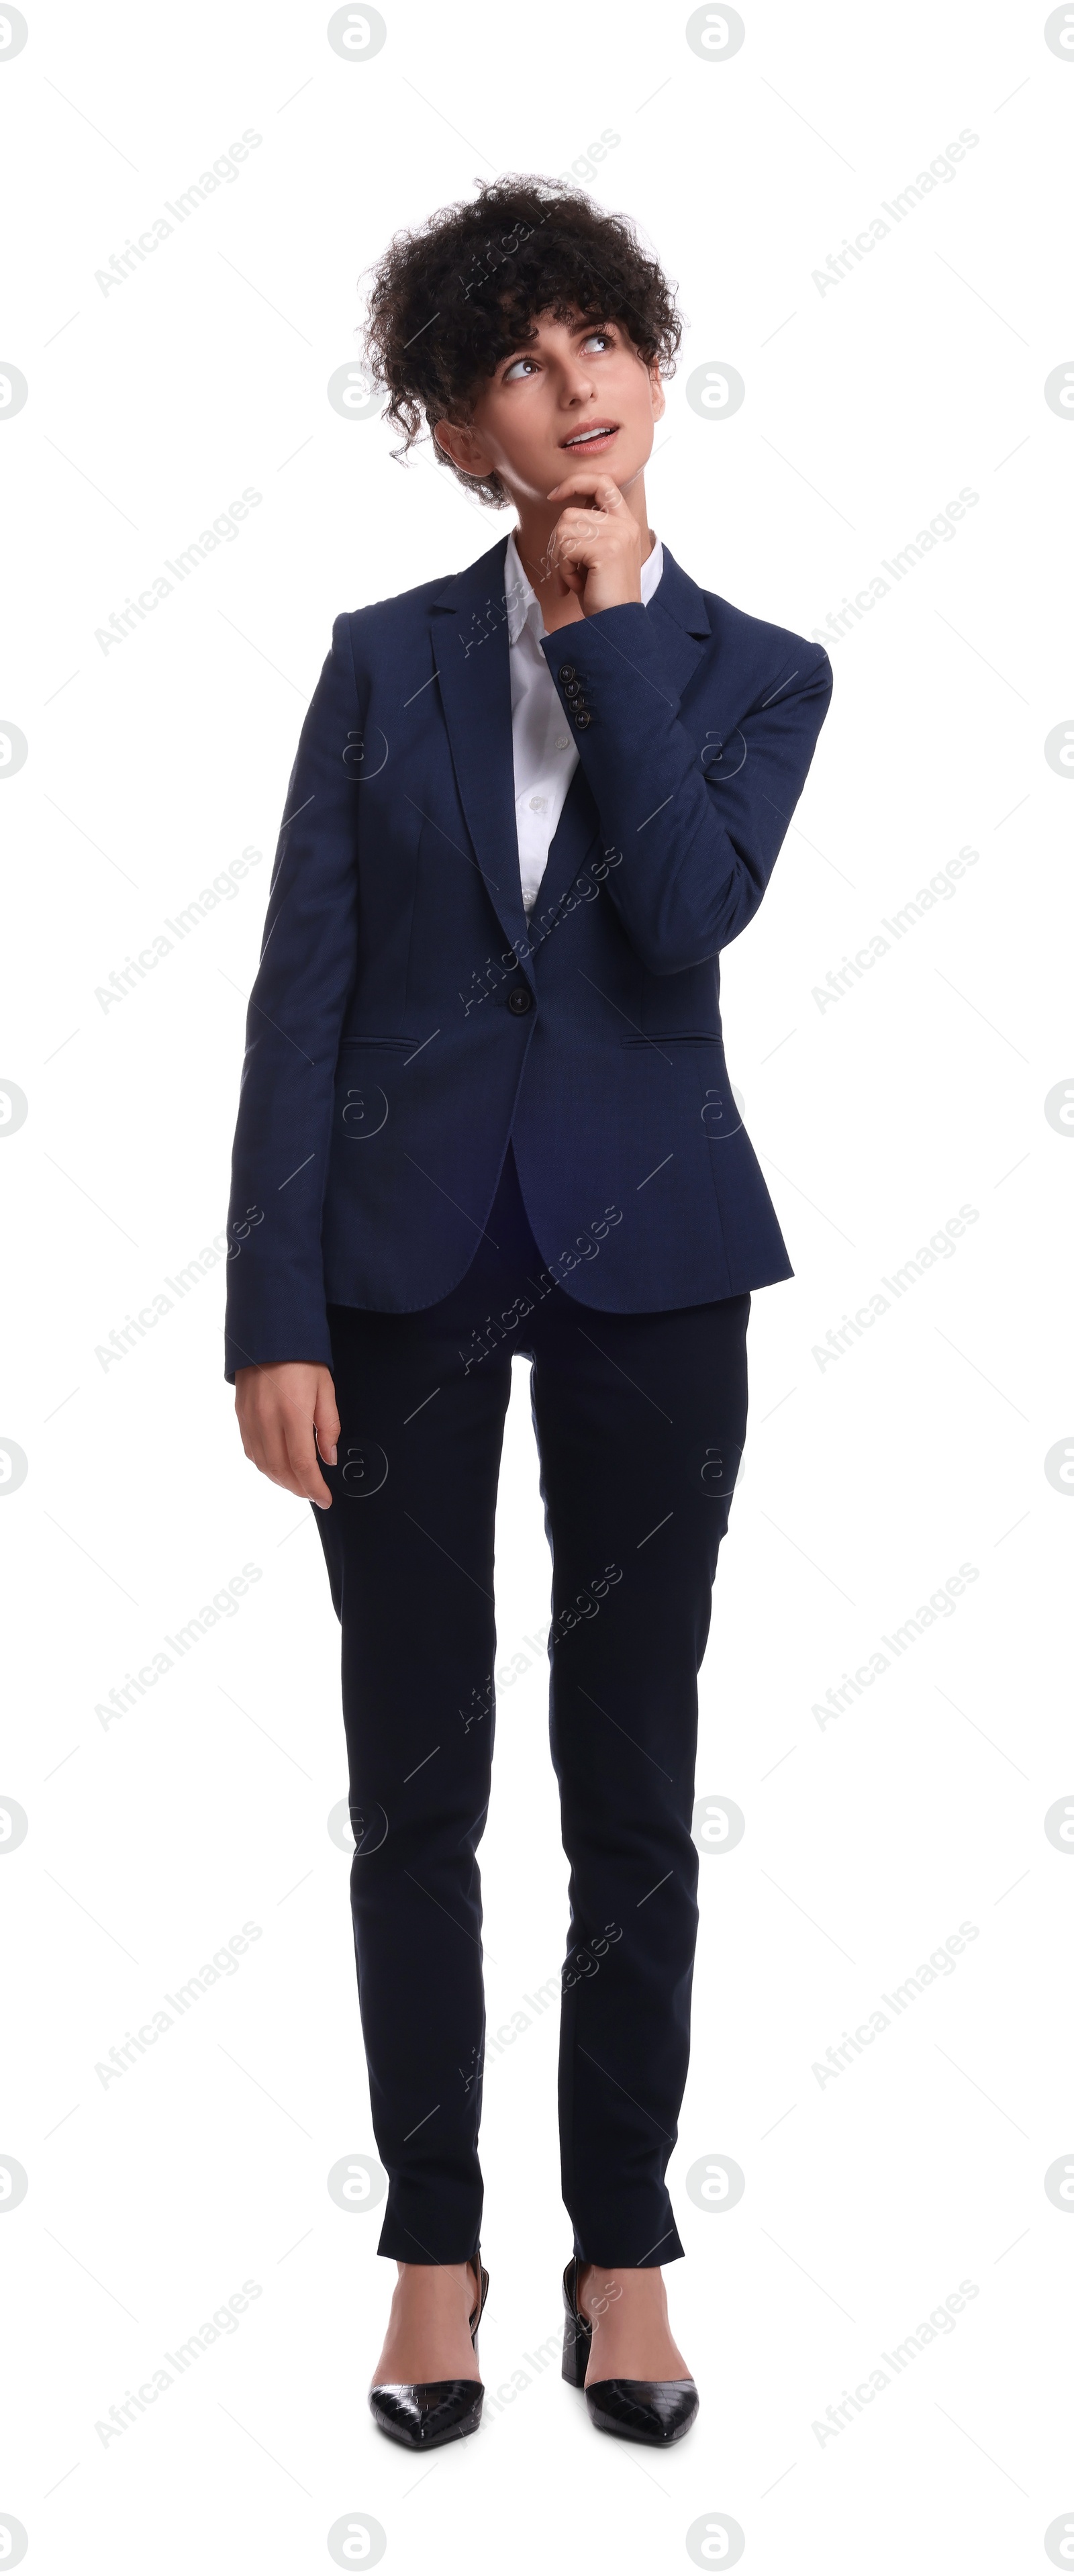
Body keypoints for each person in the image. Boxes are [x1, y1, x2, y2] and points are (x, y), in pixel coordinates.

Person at [224, 175, 832, 2451]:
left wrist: (602, 632)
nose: (573, 386)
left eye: (602, 341)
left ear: (653, 364)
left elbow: (685, 917)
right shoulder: (379, 659)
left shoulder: (763, 671)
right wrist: (267, 1304)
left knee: (636, 1791)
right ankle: (432, 2249)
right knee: (416, 1795)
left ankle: (629, 2248)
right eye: (517, 361)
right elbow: (302, 995)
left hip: (657, 1274)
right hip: (392, 1278)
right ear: (462, 425)